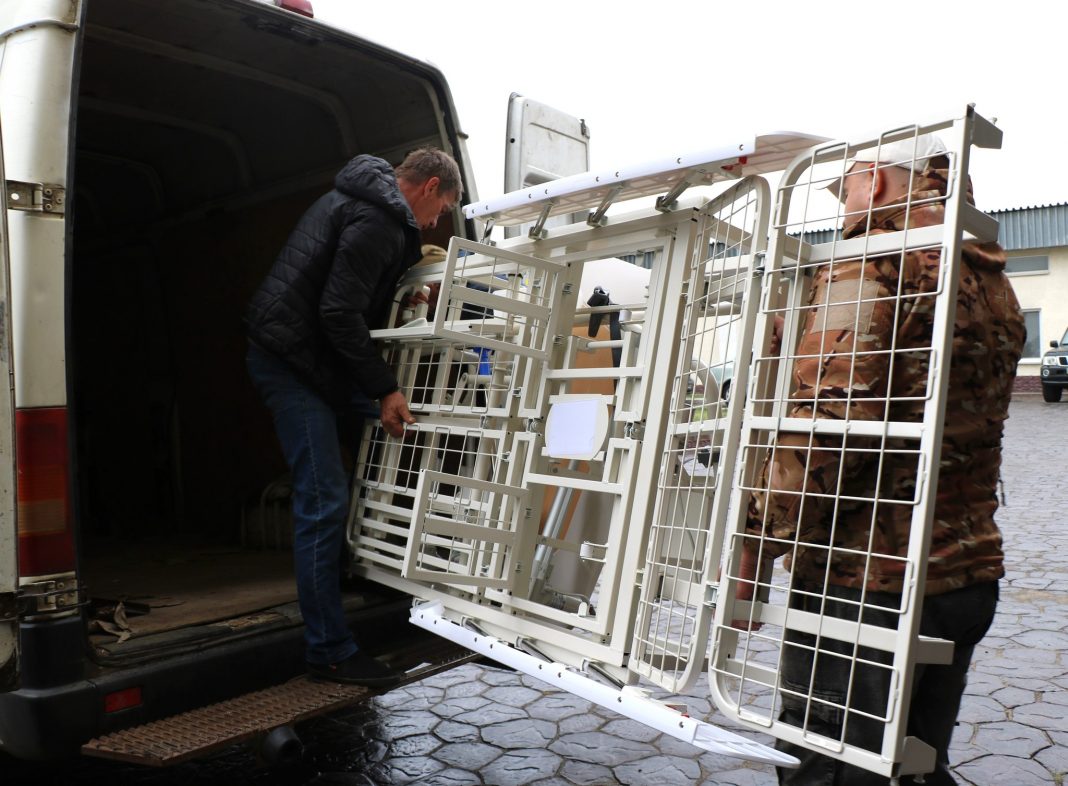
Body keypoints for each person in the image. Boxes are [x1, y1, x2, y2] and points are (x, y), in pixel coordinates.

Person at [739, 135, 1025, 784]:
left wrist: (755, 544)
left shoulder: (877, 261)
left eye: (845, 190)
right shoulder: (988, 276)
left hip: (866, 580)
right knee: (914, 766)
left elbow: (827, 427)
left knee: (831, 768)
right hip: (964, 569)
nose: (843, 208)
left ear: (875, 182)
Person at [245, 147, 461, 687]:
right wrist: (385, 388)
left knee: (391, 435)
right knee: (323, 499)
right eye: (441, 211)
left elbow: (345, 300)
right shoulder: (382, 220)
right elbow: (338, 312)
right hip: (292, 361)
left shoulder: (359, 197)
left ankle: (379, 574)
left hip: (309, 357)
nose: (435, 223)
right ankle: (331, 652)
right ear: (429, 186)